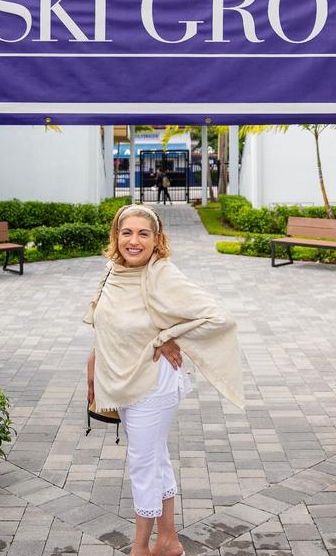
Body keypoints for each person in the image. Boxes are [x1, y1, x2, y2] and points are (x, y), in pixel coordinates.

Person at [84, 205, 243, 556]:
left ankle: (140, 548)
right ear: (116, 236)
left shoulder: (161, 275)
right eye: (127, 233)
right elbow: (105, 320)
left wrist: (168, 335)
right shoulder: (111, 270)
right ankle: (168, 541)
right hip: (122, 379)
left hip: (153, 385)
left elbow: (218, 317)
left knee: (142, 464)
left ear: (157, 240)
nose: (134, 241)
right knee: (155, 459)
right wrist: (94, 359)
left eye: (144, 234)